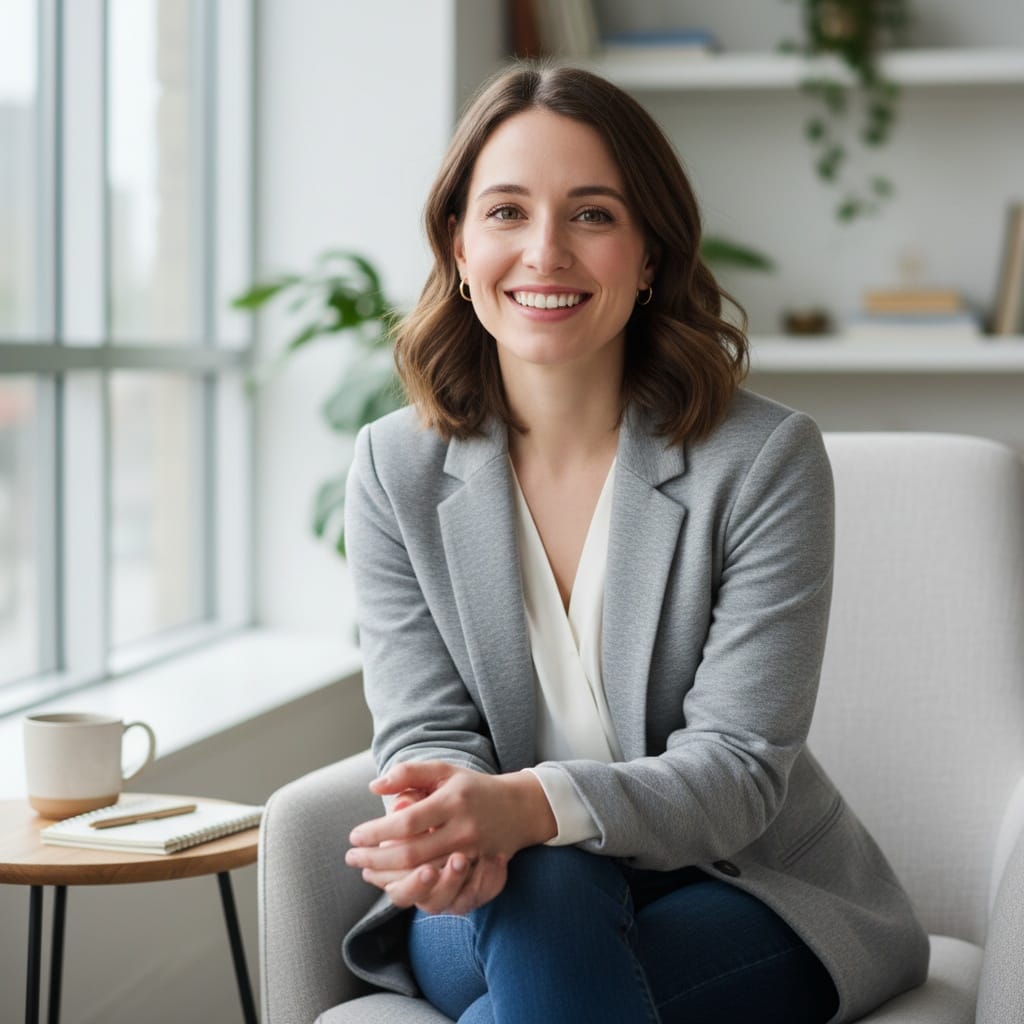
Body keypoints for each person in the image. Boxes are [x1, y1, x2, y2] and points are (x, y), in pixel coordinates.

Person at [341, 61, 928, 1024]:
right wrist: (447, 816)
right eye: (505, 212)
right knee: (546, 888)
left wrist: (527, 806)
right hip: (494, 894)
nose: (545, 251)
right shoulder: (392, 468)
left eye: (592, 215)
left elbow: (738, 769)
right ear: (455, 243)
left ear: (650, 253)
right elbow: (425, 730)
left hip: (740, 885)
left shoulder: (764, 460)